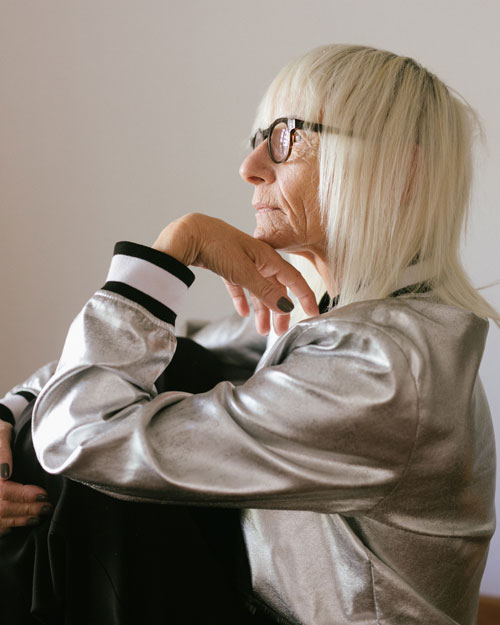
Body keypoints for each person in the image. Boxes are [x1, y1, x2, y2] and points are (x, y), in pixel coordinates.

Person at [1, 43, 498, 625]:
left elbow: (82, 435)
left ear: (401, 171)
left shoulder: (383, 370)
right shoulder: (336, 313)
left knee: (92, 464)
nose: (250, 166)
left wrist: (174, 250)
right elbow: (160, 357)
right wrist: (7, 413)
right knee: (168, 365)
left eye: (287, 138)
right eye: (258, 137)